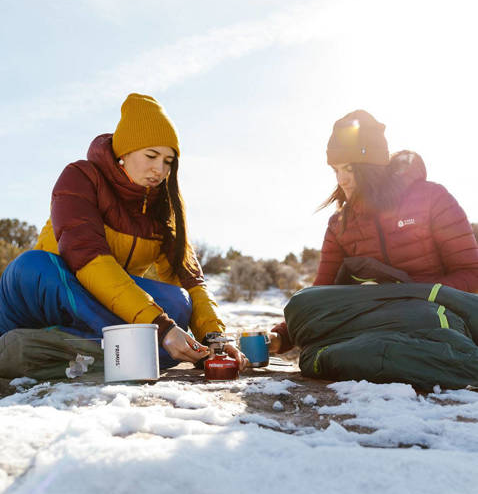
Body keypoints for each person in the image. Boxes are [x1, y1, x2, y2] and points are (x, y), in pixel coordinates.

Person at [0, 93, 247, 373]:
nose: (160, 169)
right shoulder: (81, 177)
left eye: (168, 161)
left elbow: (190, 281)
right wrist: (161, 328)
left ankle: (48, 348)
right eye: (151, 156)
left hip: (100, 311)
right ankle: (133, 348)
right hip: (39, 292)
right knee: (36, 264)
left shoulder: (165, 208)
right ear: (123, 154)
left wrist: (213, 338)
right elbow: (90, 261)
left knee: (179, 303)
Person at [269, 109, 478, 355]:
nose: (341, 180)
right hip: (378, 317)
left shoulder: (432, 198)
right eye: (335, 170)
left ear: (373, 167)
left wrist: (410, 290)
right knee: (305, 301)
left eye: (349, 169)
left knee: (420, 321)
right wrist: (281, 335)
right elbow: (323, 290)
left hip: (436, 313)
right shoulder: (339, 224)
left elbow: (471, 273)